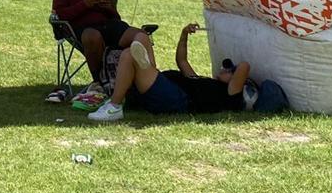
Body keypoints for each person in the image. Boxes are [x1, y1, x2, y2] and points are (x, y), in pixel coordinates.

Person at [89, 24, 252, 121]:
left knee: (129, 54)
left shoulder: (230, 96)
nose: (225, 68)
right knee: (142, 36)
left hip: (176, 100)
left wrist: (239, 75)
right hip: (166, 87)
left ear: (236, 82)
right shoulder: (200, 80)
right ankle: (142, 63)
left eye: (230, 70)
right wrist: (184, 34)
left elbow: (244, 66)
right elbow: (182, 61)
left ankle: (114, 106)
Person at [51, 0, 154, 86]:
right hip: (83, 29)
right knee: (92, 36)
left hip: (108, 26)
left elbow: (116, 18)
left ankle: (150, 78)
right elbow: (59, 15)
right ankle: (99, 81)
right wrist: (84, 4)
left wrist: (110, 8)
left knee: (141, 35)